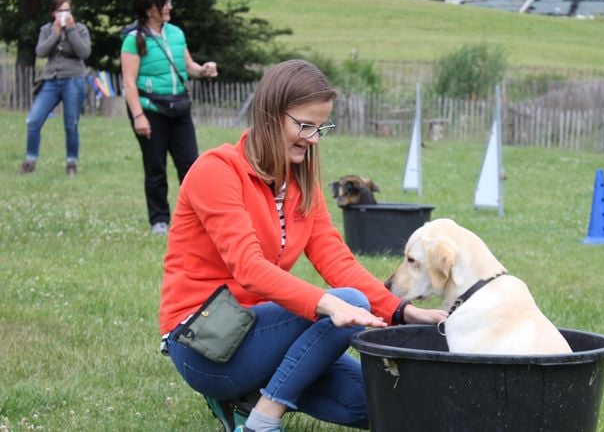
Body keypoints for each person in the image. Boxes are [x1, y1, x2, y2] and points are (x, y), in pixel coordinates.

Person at [159, 59, 448, 432]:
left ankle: (248, 397)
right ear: (270, 116)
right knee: (349, 302)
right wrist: (328, 303)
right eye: (304, 125)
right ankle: (263, 419)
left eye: (320, 127)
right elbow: (248, 268)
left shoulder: (300, 183)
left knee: (385, 402)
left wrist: (401, 311)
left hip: (262, 334)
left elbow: (336, 259)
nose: (313, 139)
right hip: (204, 342)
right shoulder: (216, 170)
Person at [120, 0, 218, 235]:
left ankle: (196, 218)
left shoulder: (176, 33)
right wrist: (138, 116)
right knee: (155, 166)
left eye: (169, 2)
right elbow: (129, 83)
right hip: (151, 110)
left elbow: (189, 66)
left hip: (180, 108)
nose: (169, 7)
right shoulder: (134, 39)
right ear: (148, 8)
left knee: (191, 166)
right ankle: (159, 221)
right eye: (163, 3)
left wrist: (203, 70)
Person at [18, 0, 91, 176]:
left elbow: (84, 52)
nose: (64, 14)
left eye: (67, 10)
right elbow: (41, 52)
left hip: (73, 80)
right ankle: (30, 161)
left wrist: (71, 30)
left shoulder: (80, 29)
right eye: (60, 11)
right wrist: (56, 33)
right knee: (33, 121)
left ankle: (71, 163)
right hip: (51, 80)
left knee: (70, 125)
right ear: (53, 13)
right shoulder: (46, 29)